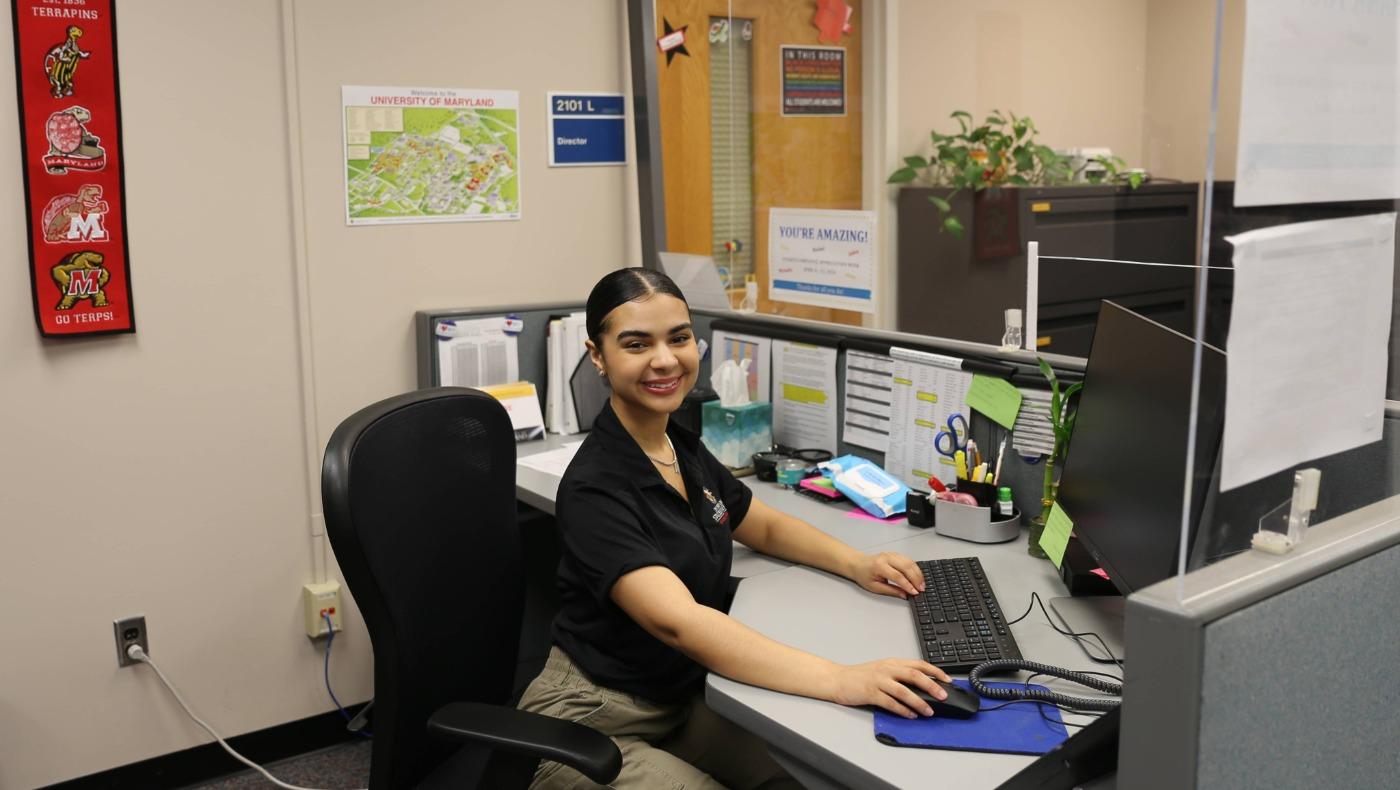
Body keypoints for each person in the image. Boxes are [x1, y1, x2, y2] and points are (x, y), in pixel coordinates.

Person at [518, 268, 950, 789]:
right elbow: (681, 623)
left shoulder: (678, 445)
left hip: (683, 697)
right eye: (637, 344)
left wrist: (857, 562)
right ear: (597, 355)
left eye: (678, 337)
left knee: (814, 773)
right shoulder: (596, 488)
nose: (664, 359)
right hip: (594, 718)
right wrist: (839, 678)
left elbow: (758, 524)